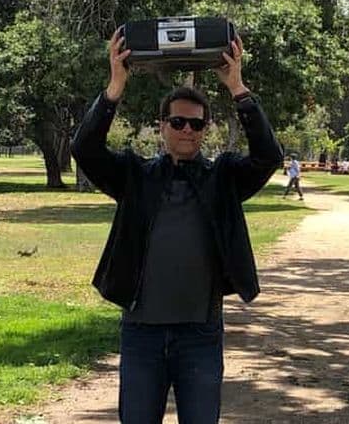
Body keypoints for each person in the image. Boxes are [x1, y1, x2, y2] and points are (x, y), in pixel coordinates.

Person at [71, 29, 282, 424]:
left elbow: (268, 155)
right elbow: (84, 150)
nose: (187, 130)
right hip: (142, 335)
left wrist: (237, 88)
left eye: (196, 125)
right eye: (178, 122)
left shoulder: (223, 178)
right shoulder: (134, 176)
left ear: (206, 130)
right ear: (162, 126)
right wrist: (115, 87)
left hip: (199, 336)